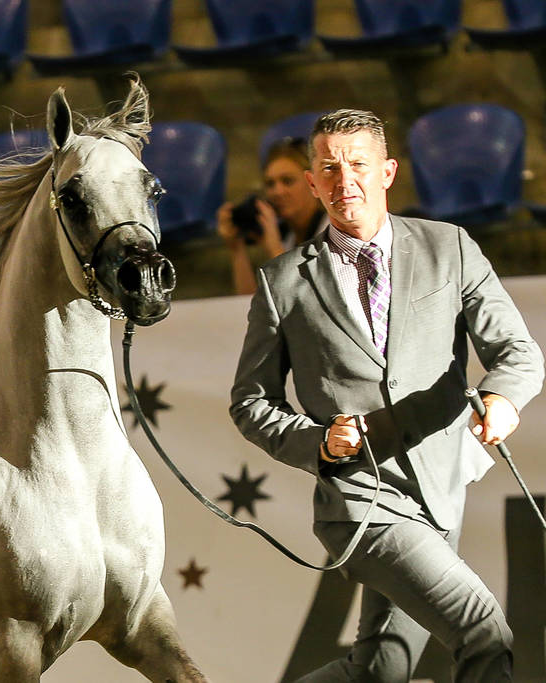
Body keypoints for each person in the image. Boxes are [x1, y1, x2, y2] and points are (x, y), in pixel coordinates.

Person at [229, 109, 544, 682]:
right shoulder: (282, 285)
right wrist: (320, 441)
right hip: (362, 503)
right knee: (484, 632)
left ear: (388, 172)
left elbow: (518, 353)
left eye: (357, 165)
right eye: (328, 168)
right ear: (313, 182)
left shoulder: (450, 247)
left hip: (440, 489)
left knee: (381, 670)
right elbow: (250, 403)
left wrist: (502, 397)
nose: (344, 180)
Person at [217, 137, 327, 295]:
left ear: (312, 183)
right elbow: (249, 304)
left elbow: (309, 301)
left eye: (287, 181)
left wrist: (274, 248)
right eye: (270, 184)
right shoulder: (288, 236)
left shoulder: (333, 232)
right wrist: (236, 248)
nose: (277, 192)